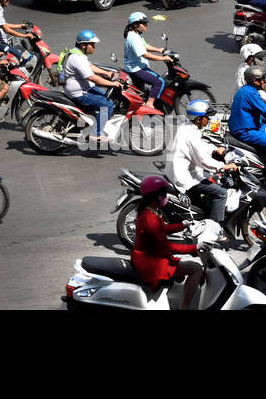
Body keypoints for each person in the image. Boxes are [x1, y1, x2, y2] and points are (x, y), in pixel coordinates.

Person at [131, 175, 203, 309]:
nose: (166, 197)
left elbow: (163, 229)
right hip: (150, 262)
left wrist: (183, 224)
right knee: (196, 269)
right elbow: (166, 247)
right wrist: (194, 248)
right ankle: (184, 307)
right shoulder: (150, 218)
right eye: (163, 194)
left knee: (180, 273)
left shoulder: (148, 210)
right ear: (155, 196)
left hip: (150, 255)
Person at [167, 101, 238, 238]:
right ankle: (213, 231)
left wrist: (215, 149)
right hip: (185, 176)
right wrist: (223, 166)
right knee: (221, 193)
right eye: (207, 116)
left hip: (181, 170)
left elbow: (200, 146)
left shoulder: (187, 127)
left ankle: (203, 216)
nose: (209, 119)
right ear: (199, 118)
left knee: (212, 180)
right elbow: (202, 160)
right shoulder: (191, 134)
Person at [62, 29, 125, 146]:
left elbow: (90, 67)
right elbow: (92, 77)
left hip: (85, 88)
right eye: (92, 44)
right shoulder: (77, 58)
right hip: (79, 93)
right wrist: (112, 83)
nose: (94, 47)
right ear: (84, 45)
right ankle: (96, 134)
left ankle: (92, 121)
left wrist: (107, 73)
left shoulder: (79, 53)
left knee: (107, 98)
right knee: (107, 105)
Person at [122, 11, 172, 110]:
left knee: (142, 91)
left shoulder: (137, 34)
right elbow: (144, 54)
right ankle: (149, 104)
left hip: (136, 66)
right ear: (136, 25)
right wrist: (163, 58)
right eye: (144, 23)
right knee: (159, 82)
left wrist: (158, 49)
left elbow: (145, 46)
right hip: (136, 68)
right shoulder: (133, 38)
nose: (146, 26)